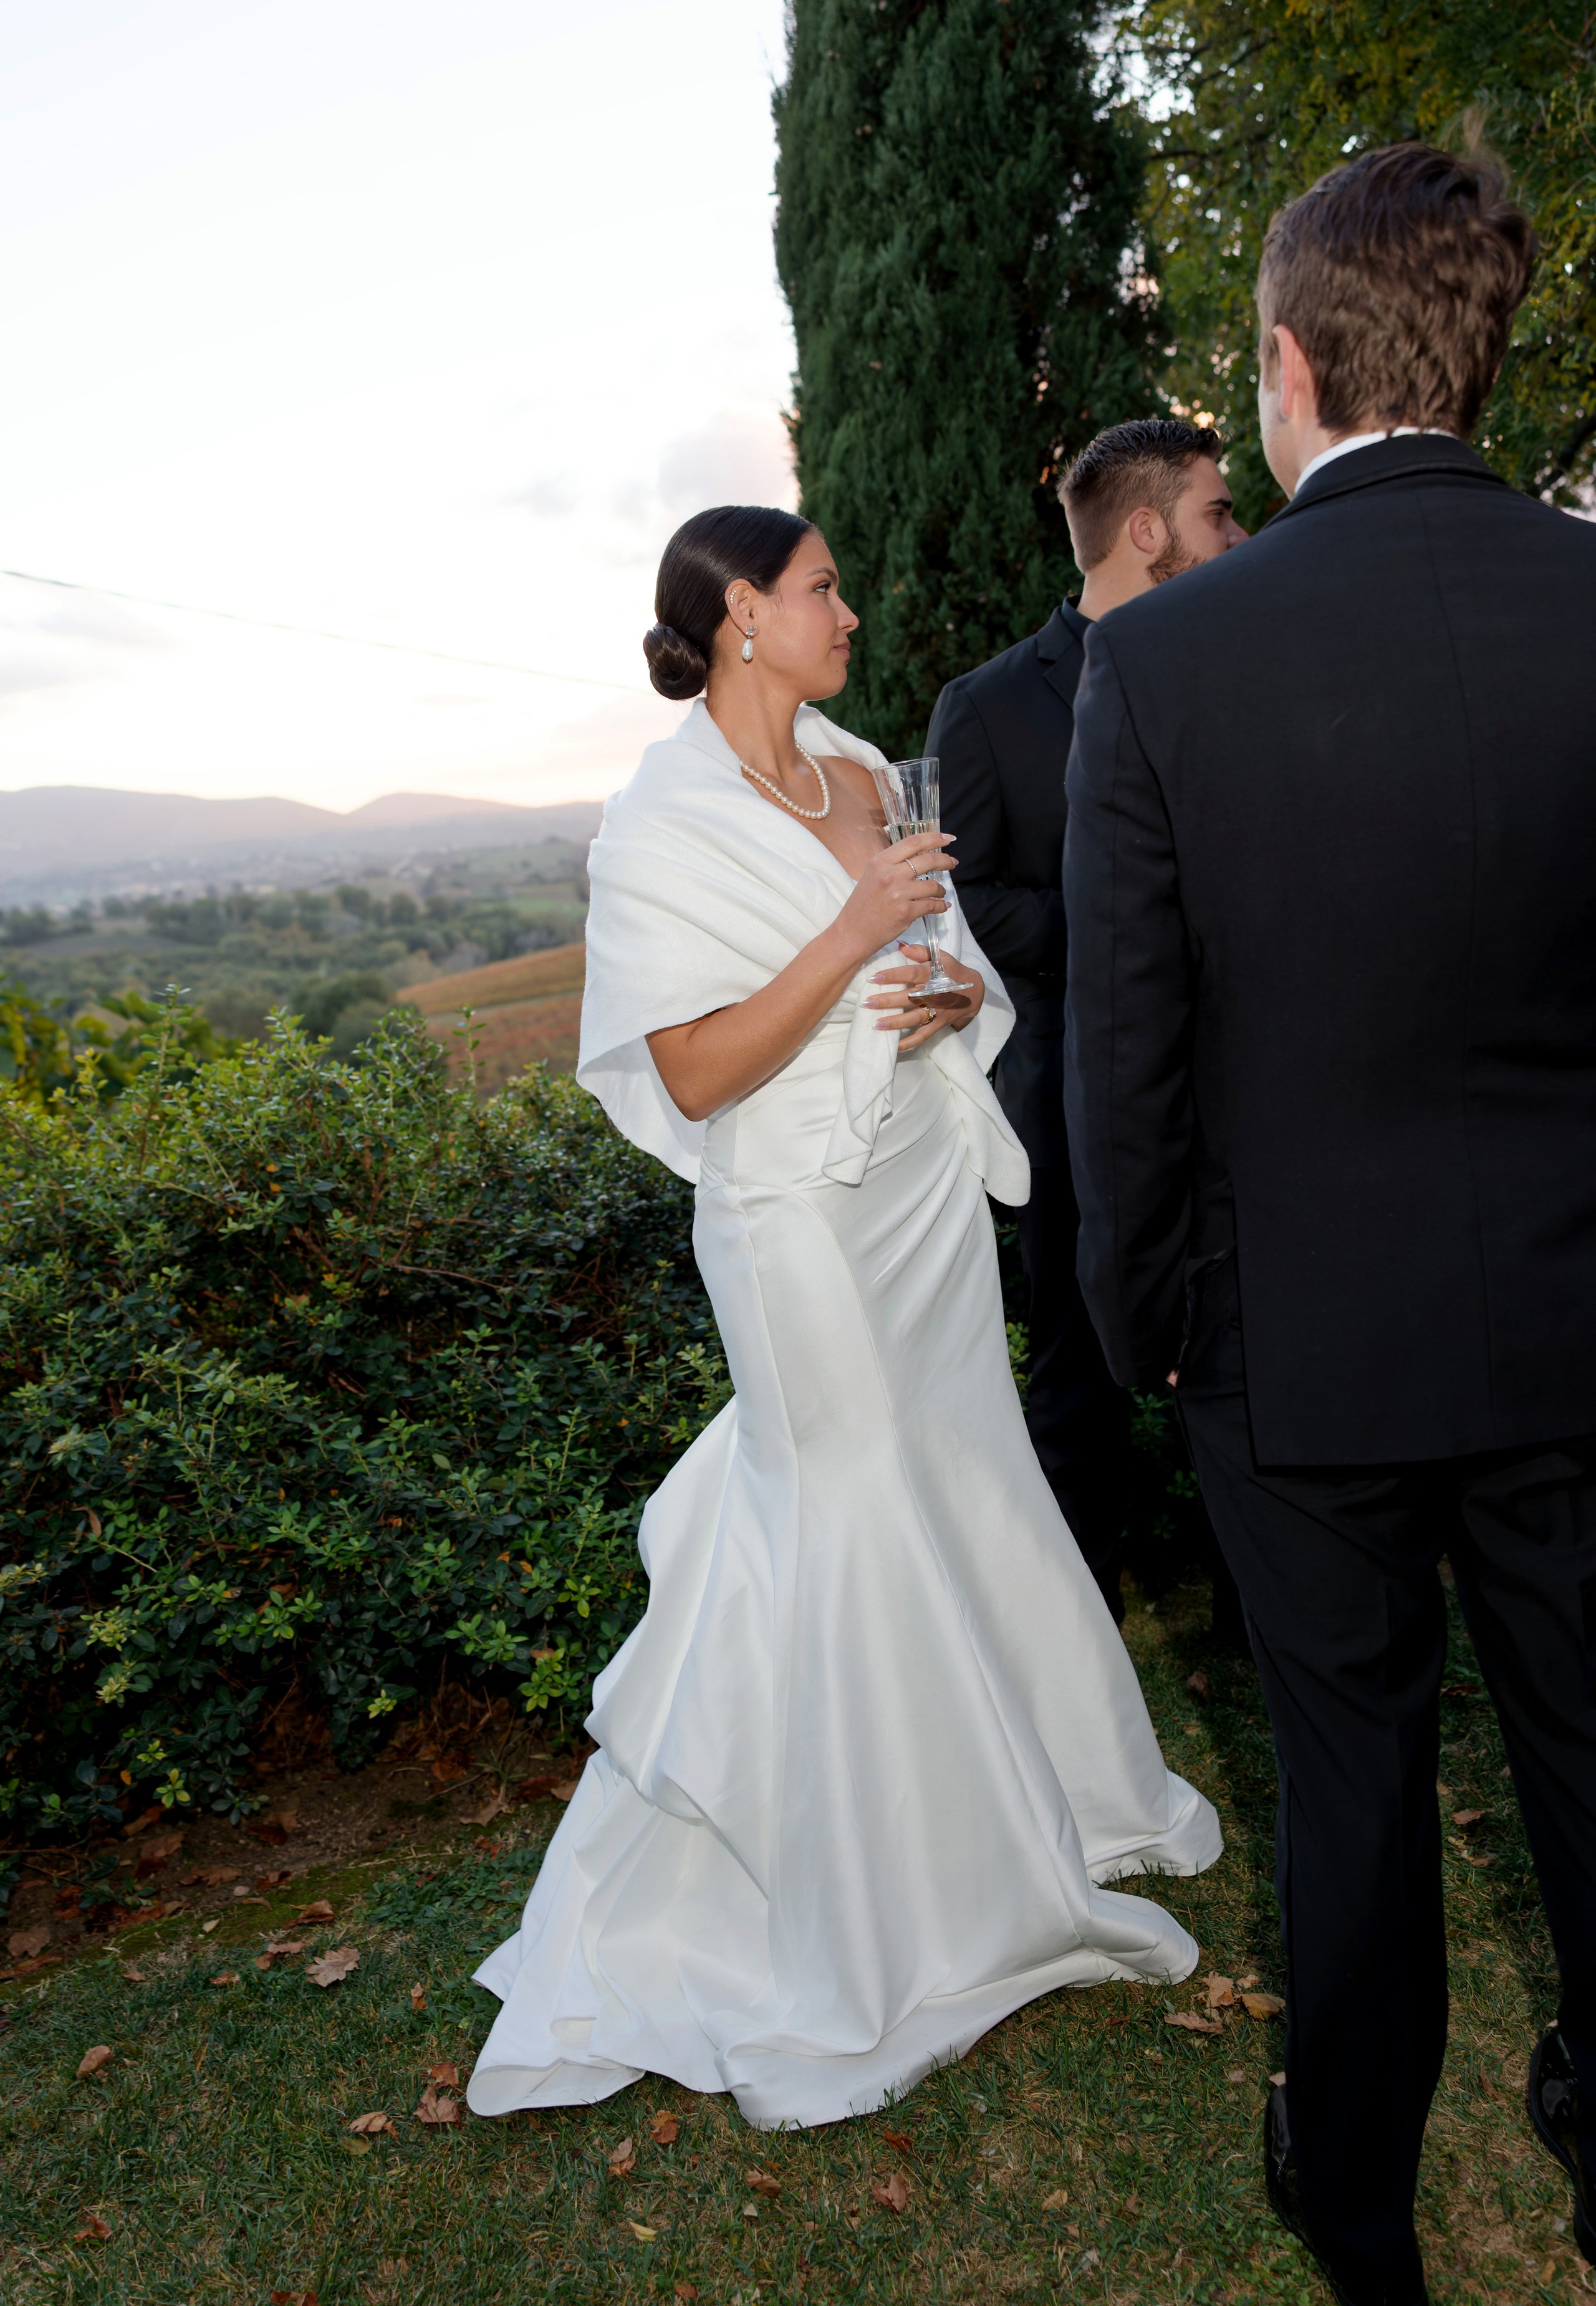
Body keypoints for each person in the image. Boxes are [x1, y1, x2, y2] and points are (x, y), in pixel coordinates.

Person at [466, 504, 1221, 2131]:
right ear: (742, 615)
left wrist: (955, 992)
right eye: (823, 588)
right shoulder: (659, 823)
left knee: (958, 1476)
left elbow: (946, 963)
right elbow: (693, 1070)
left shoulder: (873, 773)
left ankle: (1039, 1807)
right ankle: (883, 1907)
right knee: (847, 1502)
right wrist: (856, 931)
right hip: (792, 1216)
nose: (852, 612)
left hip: (921, 1209)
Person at [1061, 142, 1596, 2306]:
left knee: (1350, 1784)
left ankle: (1366, 2219)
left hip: (1291, 1352)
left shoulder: (1174, 663)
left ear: (1288, 367)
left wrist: (1150, 1330)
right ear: (1483, 351)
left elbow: (1131, 1067)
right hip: (1581, 1324)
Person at [925, 421, 1246, 1617]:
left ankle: (1255, 1602)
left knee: (1250, 1352)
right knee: (1074, 1370)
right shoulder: (992, 704)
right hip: (1068, 1095)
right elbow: (963, 901)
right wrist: (1125, 927)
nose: (1242, 534)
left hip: (1243, 1081)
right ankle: (1080, 1629)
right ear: (1147, 530)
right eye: (1218, 513)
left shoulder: (1244, 670)